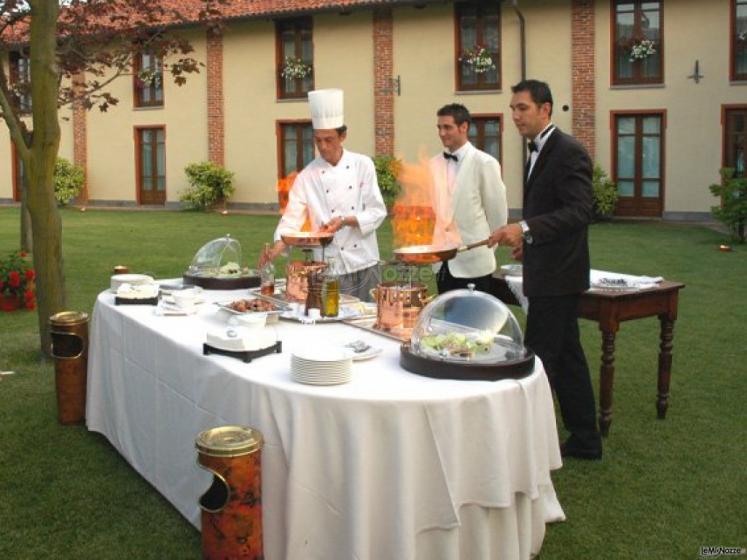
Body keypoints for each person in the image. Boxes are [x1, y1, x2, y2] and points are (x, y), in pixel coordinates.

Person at [488, 79, 602, 460]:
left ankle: (527, 445)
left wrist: (523, 227)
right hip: (547, 268)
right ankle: (586, 438)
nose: (515, 115)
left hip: (559, 277)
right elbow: (551, 212)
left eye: (522, 108)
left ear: (545, 109)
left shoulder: (568, 151)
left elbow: (580, 211)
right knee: (568, 357)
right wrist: (528, 242)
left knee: (538, 361)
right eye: (513, 108)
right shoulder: (539, 151)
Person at [260, 89, 387, 301]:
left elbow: (377, 211)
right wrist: (275, 248)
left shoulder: (362, 165)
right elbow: (291, 220)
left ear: (343, 136)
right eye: (318, 140)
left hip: (364, 261)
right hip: (327, 266)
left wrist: (346, 220)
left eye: (329, 139)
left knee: (368, 320)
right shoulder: (306, 176)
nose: (323, 146)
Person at [429, 103, 507, 294]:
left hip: (475, 262)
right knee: (445, 320)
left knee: (475, 321)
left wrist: (485, 251)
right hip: (442, 263)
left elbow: (498, 216)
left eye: (447, 127)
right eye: (439, 127)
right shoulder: (433, 164)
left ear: (464, 127)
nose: (441, 132)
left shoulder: (485, 163)